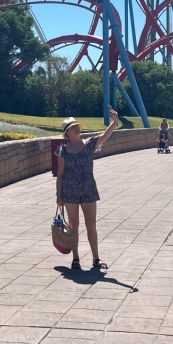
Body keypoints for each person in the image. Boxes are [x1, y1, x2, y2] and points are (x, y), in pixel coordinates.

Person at [56, 107, 119, 271]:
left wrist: (115, 122)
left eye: (77, 126)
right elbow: (60, 174)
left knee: (91, 225)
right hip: (69, 192)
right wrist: (59, 196)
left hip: (88, 190)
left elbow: (105, 136)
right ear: (67, 133)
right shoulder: (63, 150)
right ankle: (75, 258)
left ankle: (96, 259)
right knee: (74, 226)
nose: (77, 128)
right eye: (73, 127)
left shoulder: (89, 144)